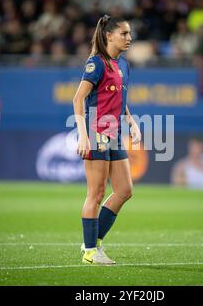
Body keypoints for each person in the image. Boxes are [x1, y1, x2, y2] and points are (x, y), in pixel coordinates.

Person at [72, 15, 140, 265]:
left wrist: (131, 121)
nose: (129, 38)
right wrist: (82, 134)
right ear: (108, 35)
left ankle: (92, 242)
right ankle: (90, 252)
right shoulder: (96, 63)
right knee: (96, 193)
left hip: (116, 134)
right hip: (96, 133)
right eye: (124, 33)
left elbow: (120, 100)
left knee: (124, 190)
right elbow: (78, 99)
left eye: (129, 33)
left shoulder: (124, 65)